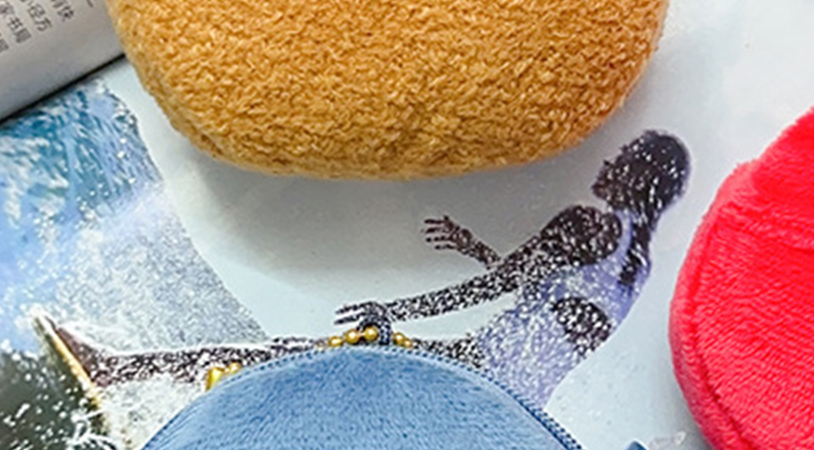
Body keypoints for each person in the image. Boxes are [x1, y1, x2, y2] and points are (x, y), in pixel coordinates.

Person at [40, 131, 691, 410]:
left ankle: (117, 371)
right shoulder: (635, 265)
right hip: (504, 397)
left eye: (627, 155)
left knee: (290, 357)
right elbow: (545, 304)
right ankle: (147, 383)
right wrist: (474, 245)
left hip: (468, 368)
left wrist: (392, 312)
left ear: (637, 173)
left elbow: (496, 289)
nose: (612, 161)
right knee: (313, 380)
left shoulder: (589, 224)